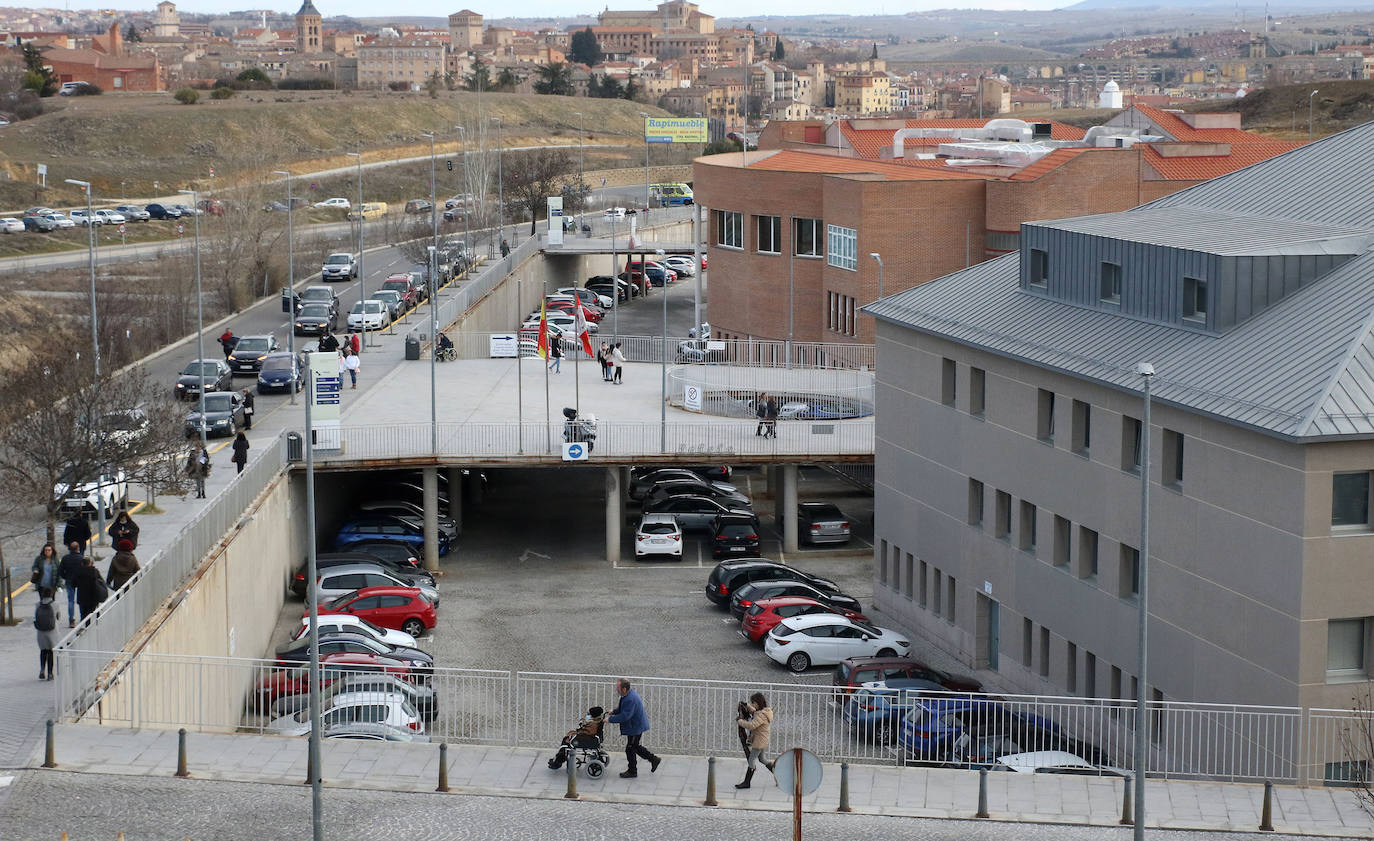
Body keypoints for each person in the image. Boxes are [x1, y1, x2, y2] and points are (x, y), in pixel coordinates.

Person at [607, 678, 660, 778]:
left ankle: (633, 771)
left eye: (618, 688)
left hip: (635, 727)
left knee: (630, 748)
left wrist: (610, 719)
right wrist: (614, 711)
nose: (616, 689)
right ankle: (654, 760)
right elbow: (623, 709)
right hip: (634, 726)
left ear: (624, 689)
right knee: (635, 747)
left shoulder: (630, 699)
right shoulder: (627, 695)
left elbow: (625, 716)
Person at [735, 692, 775, 789]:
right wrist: (747, 706)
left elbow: (752, 725)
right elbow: (754, 712)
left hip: (759, 742)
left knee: (751, 760)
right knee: (762, 759)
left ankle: (747, 783)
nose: (753, 705)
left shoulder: (761, 715)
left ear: (757, 703)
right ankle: (778, 773)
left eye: (753, 703)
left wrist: (740, 721)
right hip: (763, 740)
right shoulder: (764, 711)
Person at [547, 706, 605, 770]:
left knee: (566, 741)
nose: (589, 715)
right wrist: (587, 716)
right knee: (567, 738)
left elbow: (587, 732)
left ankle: (559, 760)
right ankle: (559, 758)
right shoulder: (596, 720)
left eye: (590, 714)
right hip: (589, 738)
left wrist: (578, 731)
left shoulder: (593, 724)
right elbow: (586, 719)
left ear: (593, 715)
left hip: (585, 739)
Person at [58, 542, 84, 628]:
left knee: (70, 601)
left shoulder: (65, 558)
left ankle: (71, 620)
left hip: (69, 581)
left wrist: (66, 577)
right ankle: (82, 617)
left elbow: (60, 571)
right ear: (78, 548)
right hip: (80, 581)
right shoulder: (81, 558)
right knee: (81, 599)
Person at [34, 588, 59, 681]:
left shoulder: (37, 605)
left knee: (43, 651)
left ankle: (42, 670)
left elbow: (35, 617)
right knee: (50, 652)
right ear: (51, 594)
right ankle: (50, 673)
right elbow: (58, 617)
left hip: (40, 632)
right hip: (52, 631)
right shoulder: (55, 605)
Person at [75, 556, 108, 621]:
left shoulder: (78, 571)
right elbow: (101, 582)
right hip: (93, 596)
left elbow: (73, 583)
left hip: (82, 597)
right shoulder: (94, 571)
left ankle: (85, 626)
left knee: (83, 614)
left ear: (82, 563)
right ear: (90, 563)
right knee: (92, 613)